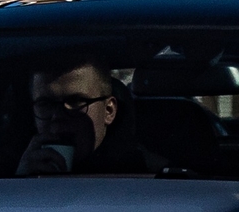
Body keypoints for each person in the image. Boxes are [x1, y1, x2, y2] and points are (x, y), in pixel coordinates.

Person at [15, 56, 162, 175]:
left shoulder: (148, 175)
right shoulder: (3, 168)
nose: (57, 116)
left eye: (76, 101)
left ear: (109, 111)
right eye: (45, 104)